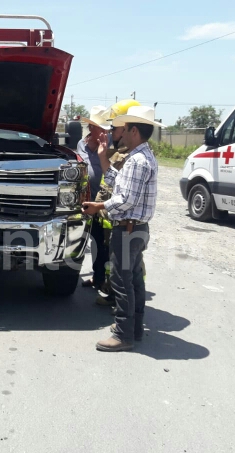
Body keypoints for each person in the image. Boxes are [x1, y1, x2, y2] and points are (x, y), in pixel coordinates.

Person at [81, 106, 165, 351]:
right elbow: (120, 184)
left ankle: (123, 335)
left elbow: (126, 199)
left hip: (127, 230)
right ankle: (134, 329)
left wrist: (99, 206)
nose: (120, 133)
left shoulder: (137, 160)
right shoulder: (142, 157)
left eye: (124, 129)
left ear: (134, 130)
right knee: (134, 281)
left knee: (122, 282)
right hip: (136, 229)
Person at [93, 99, 141, 308]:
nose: (111, 130)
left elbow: (117, 187)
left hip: (120, 217)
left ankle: (124, 309)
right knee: (111, 258)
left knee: (124, 266)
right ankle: (111, 292)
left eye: (114, 127)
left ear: (127, 127)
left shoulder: (129, 155)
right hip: (111, 216)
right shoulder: (120, 150)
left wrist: (100, 207)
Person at [76, 106, 112, 293]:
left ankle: (103, 281)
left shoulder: (111, 146)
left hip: (102, 204)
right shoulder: (81, 144)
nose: (104, 132)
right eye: (99, 128)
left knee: (102, 242)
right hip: (84, 202)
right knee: (84, 240)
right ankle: (95, 276)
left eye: (105, 129)